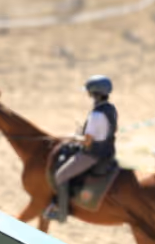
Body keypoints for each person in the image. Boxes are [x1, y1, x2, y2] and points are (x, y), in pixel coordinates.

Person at [45, 75, 118, 223]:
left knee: (60, 175)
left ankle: (61, 213)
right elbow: (111, 129)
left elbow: (87, 141)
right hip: (108, 151)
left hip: (93, 155)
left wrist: (74, 138)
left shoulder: (96, 114)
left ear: (93, 93)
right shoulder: (111, 109)